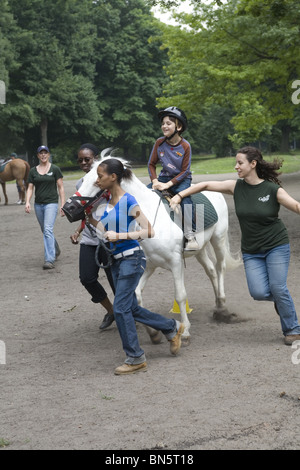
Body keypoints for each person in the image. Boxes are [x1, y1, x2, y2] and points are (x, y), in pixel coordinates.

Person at [170, 146, 300, 346]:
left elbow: (297, 207)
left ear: (253, 164)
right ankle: (282, 301)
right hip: (252, 251)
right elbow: (204, 185)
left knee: (277, 287)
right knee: (258, 292)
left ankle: (292, 329)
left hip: (276, 246)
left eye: (240, 163)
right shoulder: (235, 187)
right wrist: (179, 196)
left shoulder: (273, 190)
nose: (236, 166)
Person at [87, 158, 184, 375]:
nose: (97, 180)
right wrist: (89, 222)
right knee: (130, 308)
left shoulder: (130, 202)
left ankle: (135, 357)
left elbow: (149, 231)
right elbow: (106, 230)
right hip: (116, 261)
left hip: (132, 260)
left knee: (120, 309)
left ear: (113, 177)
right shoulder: (108, 203)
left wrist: (120, 235)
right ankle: (172, 327)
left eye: (100, 175)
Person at [70, 143, 115, 330]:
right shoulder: (80, 184)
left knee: (116, 281)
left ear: (96, 159)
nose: (83, 163)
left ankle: (127, 313)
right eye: (80, 160)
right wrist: (79, 230)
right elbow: (86, 212)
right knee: (87, 278)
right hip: (89, 237)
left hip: (110, 236)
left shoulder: (109, 180)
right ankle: (111, 311)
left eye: (87, 159)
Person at [147, 106, 199, 251]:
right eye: (163, 123)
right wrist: (155, 181)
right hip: (163, 177)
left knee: (186, 200)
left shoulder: (185, 146)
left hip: (182, 179)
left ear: (179, 126)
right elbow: (151, 164)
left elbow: (185, 171)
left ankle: (190, 235)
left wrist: (168, 185)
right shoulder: (159, 143)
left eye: (168, 123)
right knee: (146, 194)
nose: (164, 126)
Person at [25, 145, 65, 270]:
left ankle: (49, 259)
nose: (43, 155)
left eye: (45, 153)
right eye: (41, 153)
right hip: (38, 204)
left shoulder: (55, 169)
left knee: (47, 229)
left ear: (48, 155)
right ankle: (56, 249)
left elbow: (61, 187)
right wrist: (27, 202)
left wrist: (62, 204)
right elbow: (30, 188)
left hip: (51, 203)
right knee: (45, 230)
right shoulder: (33, 171)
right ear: (38, 155)